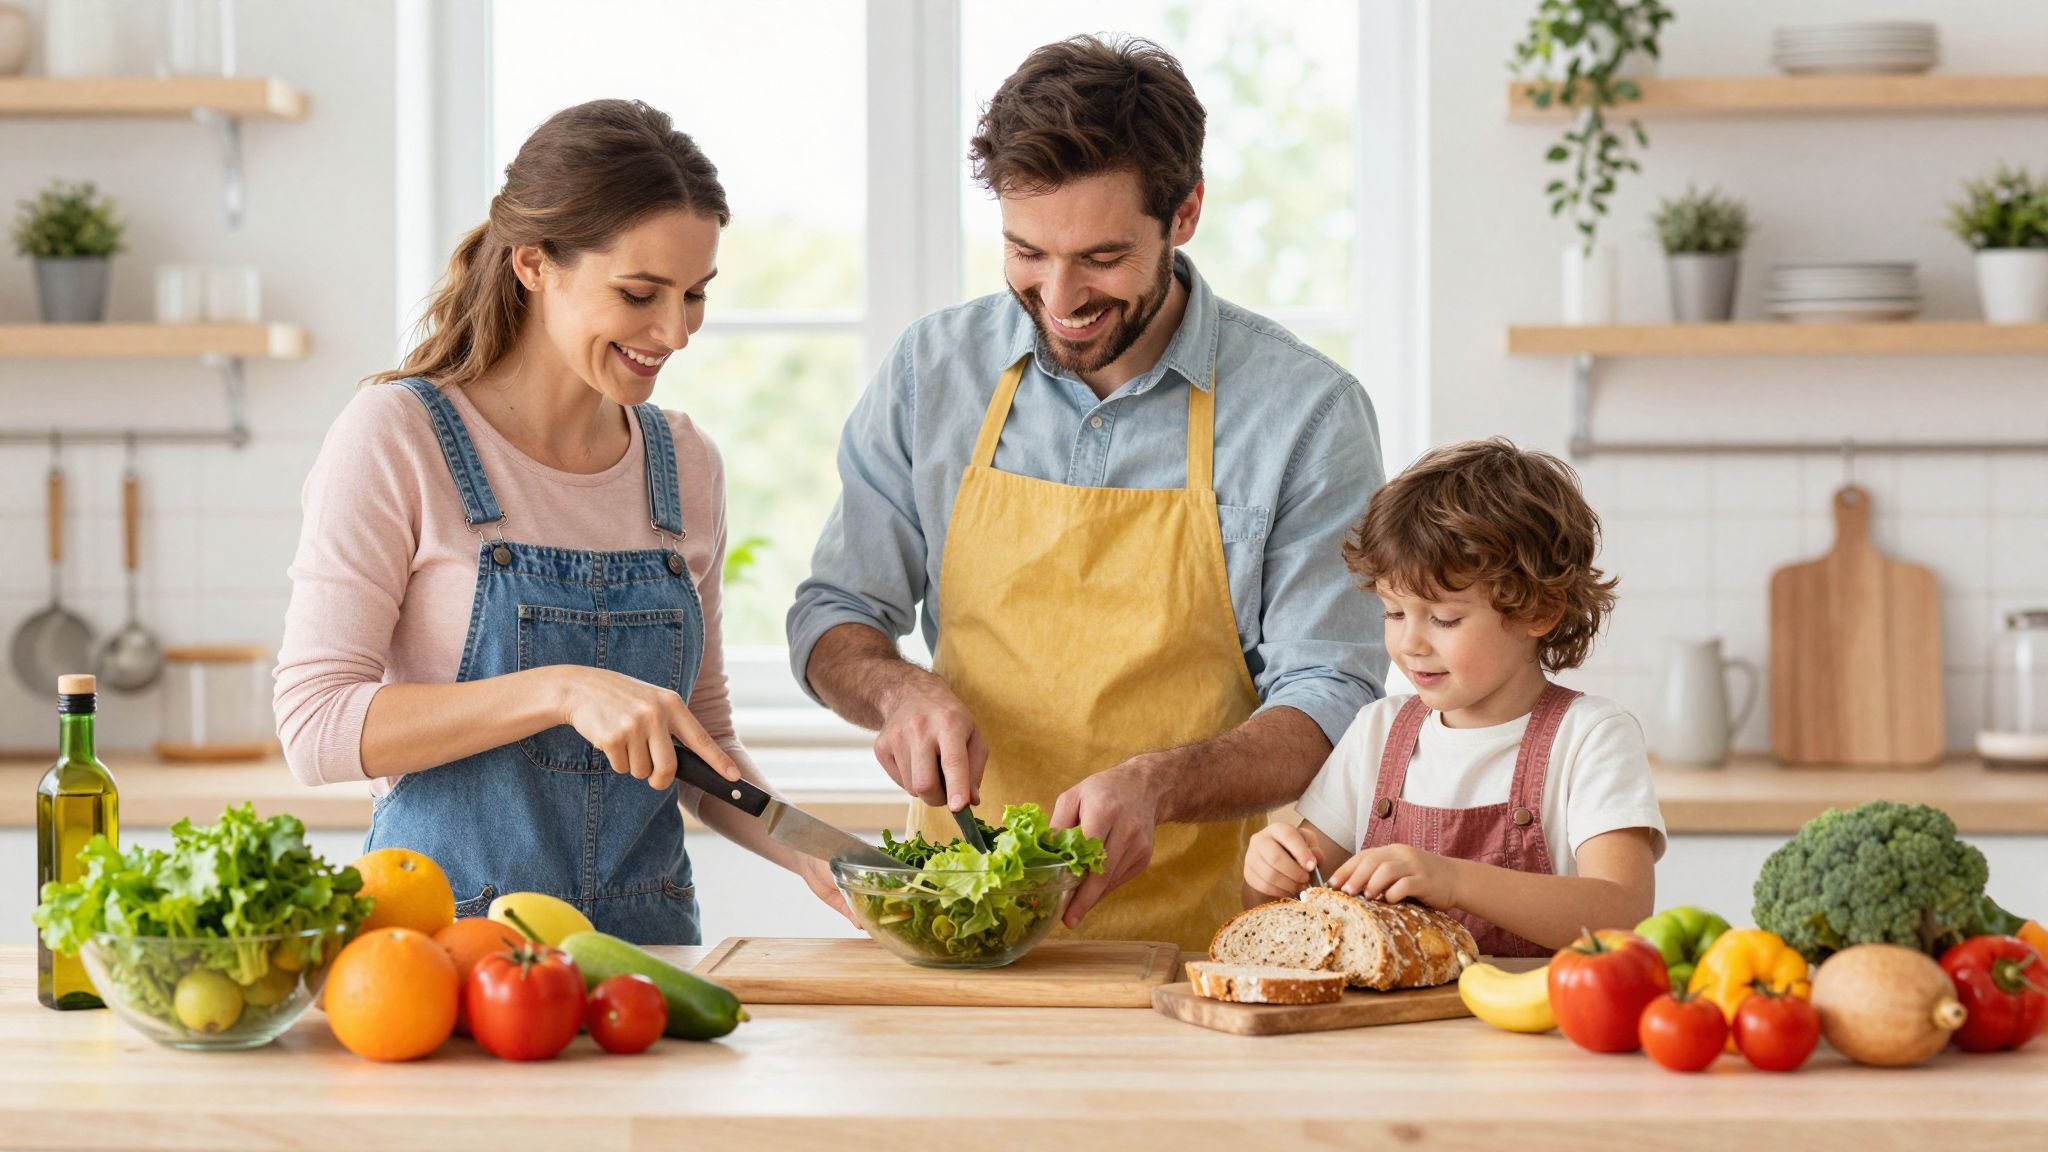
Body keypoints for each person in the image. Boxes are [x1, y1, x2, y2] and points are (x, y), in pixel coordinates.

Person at [788, 37, 1386, 951]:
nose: (1059, 297)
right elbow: (834, 616)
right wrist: (898, 692)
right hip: (962, 935)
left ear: (1183, 214)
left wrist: (1158, 784)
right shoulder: (932, 372)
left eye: (1101, 258)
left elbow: (1332, 691)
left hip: (1204, 949)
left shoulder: (1307, 413)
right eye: (1026, 252)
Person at [274, 99, 847, 944]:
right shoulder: (399, 436)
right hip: (446, 954)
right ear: (535, 264)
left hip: (643, 952)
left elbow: (704, 739)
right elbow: (315, 725)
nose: (675, 333)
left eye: (694, 296)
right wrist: (559, 690)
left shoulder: (684, 464)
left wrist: (822, 857)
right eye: (640, 293)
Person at [1242, 438, 1663, 954]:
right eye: (1394, 613)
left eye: (1444, 618)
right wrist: (1269, 874)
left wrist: (1453, 880)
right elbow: (1282, 914)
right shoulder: (1377, 731)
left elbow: (1623, 915)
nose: (1410, 642)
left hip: (1539, 1027)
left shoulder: (1590, 737)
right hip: (1387, 1031)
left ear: (1538, 611)